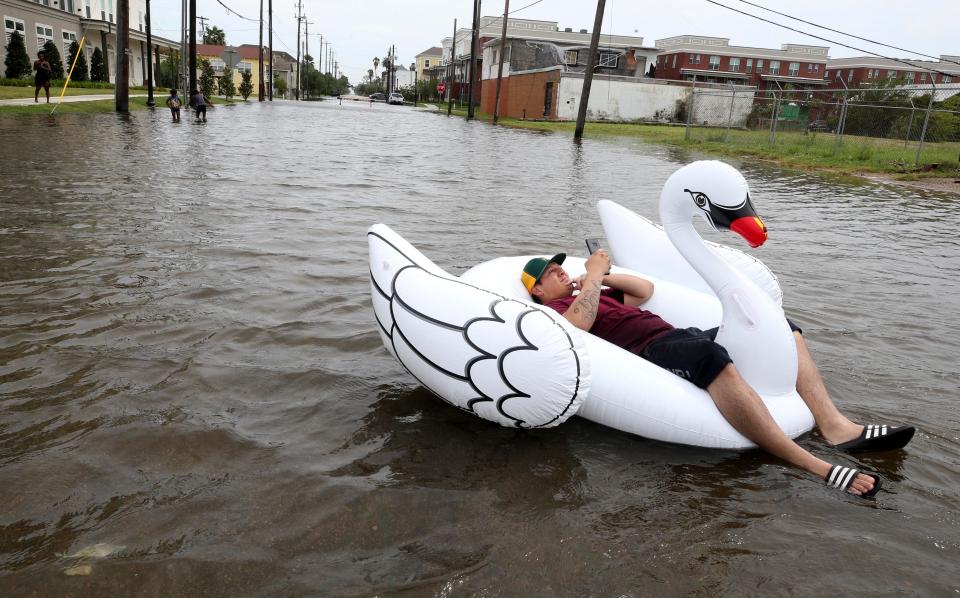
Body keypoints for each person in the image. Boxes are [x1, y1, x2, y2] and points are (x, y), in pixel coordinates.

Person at [521, 250, 915, 498]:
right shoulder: (555, 312)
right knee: (709, 354)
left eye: (560, 267)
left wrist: (600, 275)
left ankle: (834, 425)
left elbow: (643, 289)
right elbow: (579, 323)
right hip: (650, 351)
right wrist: (590, 277)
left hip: (676, 335)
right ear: (537, 291)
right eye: (550, 273)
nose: (560, 272)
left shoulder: (593, 291)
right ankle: (814, 465)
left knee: (780, 326)